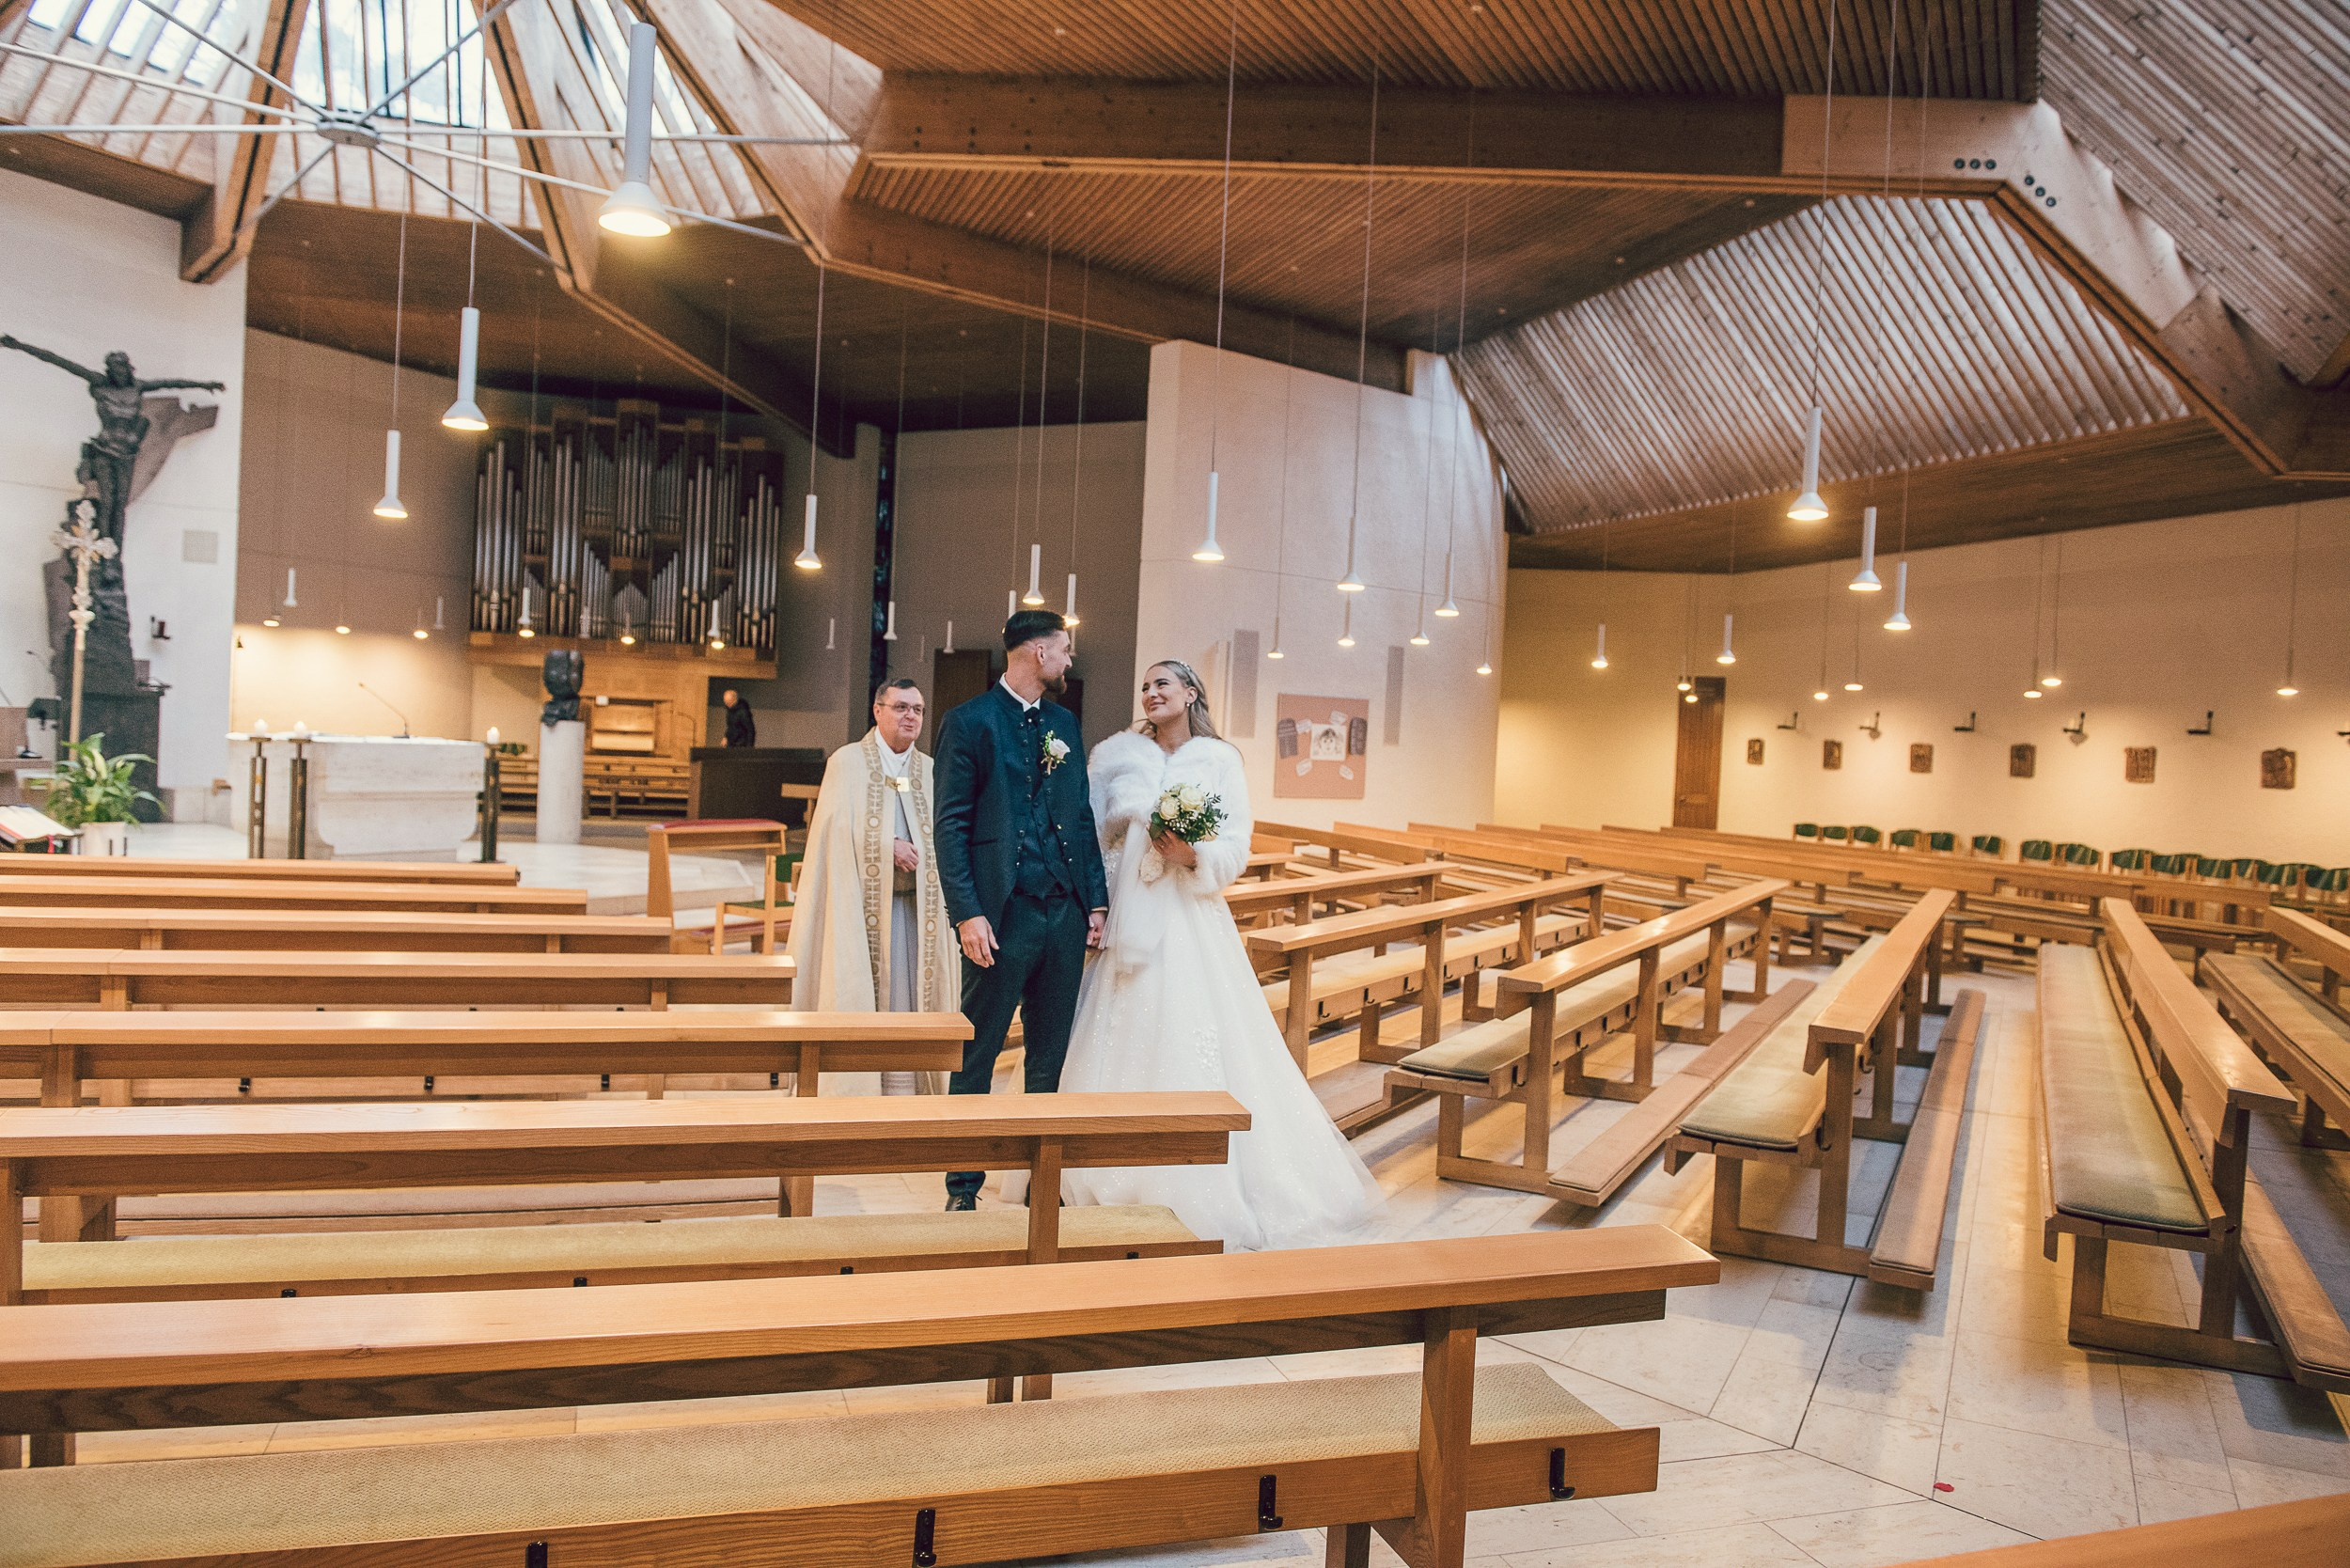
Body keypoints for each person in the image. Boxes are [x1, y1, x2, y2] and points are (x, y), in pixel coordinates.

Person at [1061, 660, 1383, 1250]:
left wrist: (1193, 856)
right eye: (1145, 686)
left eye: (1163, 684)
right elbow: (1089, 834)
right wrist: (1099, 901)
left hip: (1189, 915)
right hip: (1127, 912)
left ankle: (1197, 1172)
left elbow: (1236, 842)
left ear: (1191, 693)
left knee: (1191, 1027)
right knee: (1119, 1025)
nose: (1151, 693)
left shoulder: (1219, 760)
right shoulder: (1114, 755)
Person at [932, 610, 1109, 1211]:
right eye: (1064, 649)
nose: (1069, 660)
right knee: (977, 1052)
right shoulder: (970, 722)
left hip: (1063, 912)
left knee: (1049, 1056)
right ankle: (963, 1187)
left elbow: (1080, 814)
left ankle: (1040, 1183)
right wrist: (967, 912)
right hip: (1000, 915)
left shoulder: (1064, 722)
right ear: (1038, 652)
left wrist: (1095, 899)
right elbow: (950, 825)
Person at [786, 679, 957, 1095]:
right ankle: (860, 1086)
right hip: (859, 918)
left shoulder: (929, 769)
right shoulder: (847, 762)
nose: (910, 716)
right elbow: (833, 831)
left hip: (917, 914)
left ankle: (911, 1083)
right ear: (877, 711)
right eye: (901, 707)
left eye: (917, 709)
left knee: (912, 994)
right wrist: (886, 846)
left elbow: (948, 831)